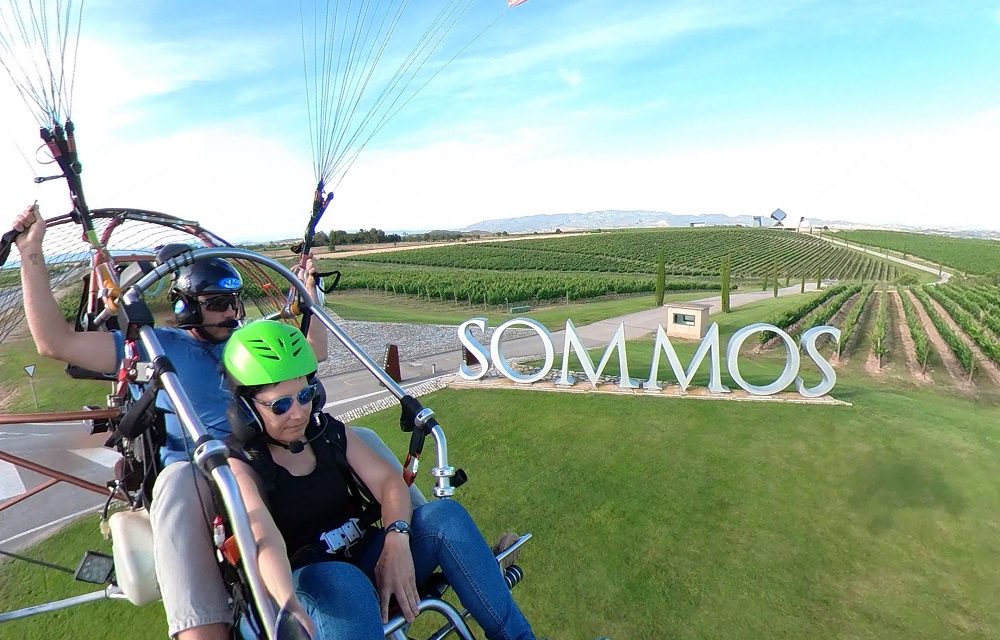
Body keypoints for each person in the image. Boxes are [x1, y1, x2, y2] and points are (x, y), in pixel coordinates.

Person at [11, 203, 328, 640]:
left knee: (344, 440)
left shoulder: (247, 341)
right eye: (217, 304)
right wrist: (31, 255)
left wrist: (312, 294)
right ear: (186, 305)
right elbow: (55, 342)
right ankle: (199, 630)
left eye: (233, 301)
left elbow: (316, 351)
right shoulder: (154, 346)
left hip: (261, 459)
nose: (230, 312)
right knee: (177, 480)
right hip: (200, 473)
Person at [223, 320, 536, 640]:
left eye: (305, 395)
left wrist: (397, 539)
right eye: (281, 405)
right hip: (314, 589)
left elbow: (389, 483)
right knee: (345, 582)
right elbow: (263, 536)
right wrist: (287, 605)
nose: (299, 413)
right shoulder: (245, 465)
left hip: (369, 559)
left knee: (444, 517)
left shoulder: (325, 432)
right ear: (246, 411)